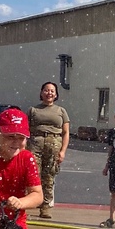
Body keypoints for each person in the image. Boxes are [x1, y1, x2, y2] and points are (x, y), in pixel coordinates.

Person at [27, 81, 69, 219]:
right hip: (36, 143)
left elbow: (66, 133)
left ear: (56, 94)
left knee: (49, 176)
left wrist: (63, 151)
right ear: (41, 92)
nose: (49, 93)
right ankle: (30, 202)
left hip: (54, 143)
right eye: (46, 90)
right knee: (33, 175)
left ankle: (45, 207)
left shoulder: (61, 111)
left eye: (52, 91)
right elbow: (25, 130)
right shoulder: (33, 110)